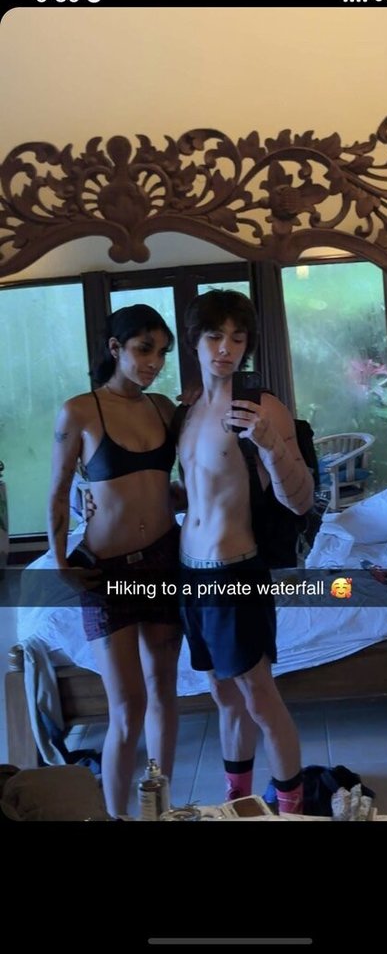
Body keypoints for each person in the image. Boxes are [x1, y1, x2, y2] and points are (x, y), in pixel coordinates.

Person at [178, 289, 315, 813]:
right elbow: (198, 491)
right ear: (195, 341)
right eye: (215, 336)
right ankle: (239, 802)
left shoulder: (261, 407)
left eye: (237, 338)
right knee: (223, 696)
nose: (225, 349)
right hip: (190, 573)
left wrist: (270, 444)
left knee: (258, 696)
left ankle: (291, 808)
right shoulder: (187, 411)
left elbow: (300, 500)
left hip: (235, 571)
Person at [47, 304, 182, 818]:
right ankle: (115, 815)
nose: (154, 362)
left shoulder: (164, 408)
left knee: (164, 692)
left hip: (165, 558)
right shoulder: (80, 411)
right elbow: (58, 492)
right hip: (107, 571)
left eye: (162, 353)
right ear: (115, 348)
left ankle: (160, 808)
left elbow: (177, 479)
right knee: (128, 708)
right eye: (144, 349)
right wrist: (60, 562)